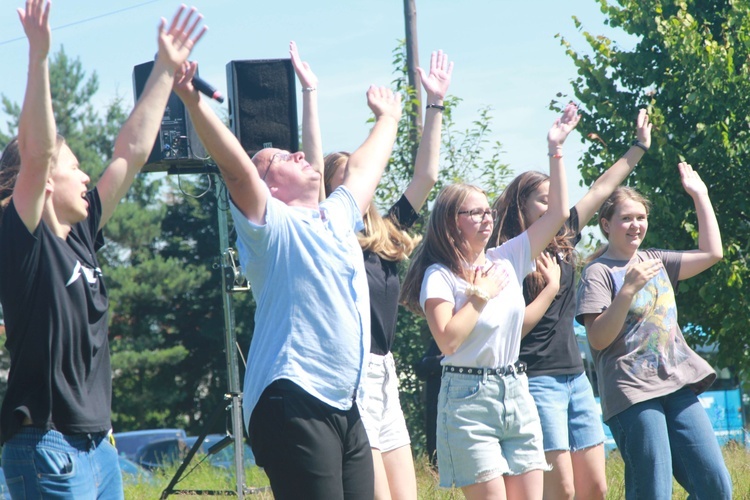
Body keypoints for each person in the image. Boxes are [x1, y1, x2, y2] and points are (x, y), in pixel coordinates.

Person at [172, 56, 402, 498]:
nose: (299, 153)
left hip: (344, 402)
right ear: (267, 187)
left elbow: (364, 169)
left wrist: (388, 119)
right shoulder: (270, 227)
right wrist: (194, 102)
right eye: (280, 157)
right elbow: (237, 169)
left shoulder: (335, 216)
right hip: (292, 396)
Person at [0, 2, 205, 498]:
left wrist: (162, 67)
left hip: (99, 449)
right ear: (48, 181)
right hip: (46, 447)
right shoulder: (22, 240)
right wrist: (39, 58)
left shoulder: (84, 234)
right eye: (75, 166)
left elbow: (130, 154)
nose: (88, 175)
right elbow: (37, 152)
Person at [400, 103, 578, 499]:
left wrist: (556, 150)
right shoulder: (440, 276)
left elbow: (558, 214)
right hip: (467, 401)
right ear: (451, 221)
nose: (487, 218)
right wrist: (479, 296)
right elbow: (447, 340)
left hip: (516, 390)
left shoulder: (508, 256)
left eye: (488, 211)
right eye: (474, 212)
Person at [488, 109, 653, 500]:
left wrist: (639, 148)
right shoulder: (506, 257)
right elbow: (508, 328)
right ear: (520, 207)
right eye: (543, 202)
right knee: (560, 490)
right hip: (534, 378)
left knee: (595, 488)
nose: (554, 208)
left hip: (576, 378)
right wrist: (549, 288)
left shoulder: (564, 239)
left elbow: (601, 187)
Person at [321, 49, 453, 500]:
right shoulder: (325, 238)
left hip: (385, 370)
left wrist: (434, 104)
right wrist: (310, 92)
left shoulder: (385, 231)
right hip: (349, 374)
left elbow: (427, 173)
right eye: (344, 180)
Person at [575, 163, 732, 499]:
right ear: (606, 224)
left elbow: (712, 253)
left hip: (676, 384)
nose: (636, 225)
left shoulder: (656, 260)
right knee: (654, 491)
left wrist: (700, 195)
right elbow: (598, 339)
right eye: (626, 218)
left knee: (716, 487)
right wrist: (628, 290)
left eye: (641, 217)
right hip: (632, 392)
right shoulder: (598, 273)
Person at [414, 339, 443, 467]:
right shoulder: (439, 341)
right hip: (435, 402)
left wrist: (434, 362)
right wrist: (437, 361)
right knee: (433, 439)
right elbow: (421, 369)